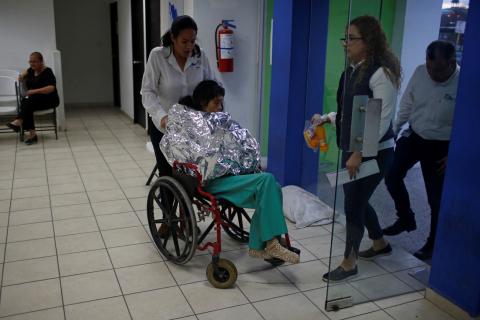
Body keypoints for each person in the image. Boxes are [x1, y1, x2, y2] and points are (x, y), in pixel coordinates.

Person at [313, 16, 401, 282]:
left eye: (352, 38)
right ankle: (379, 242)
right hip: (353, 149)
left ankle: (349, 262)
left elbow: (379, 117)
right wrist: (328, 118)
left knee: (353, 203)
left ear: (369, 41)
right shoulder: (353, 70)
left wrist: (359, 154)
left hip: (375, 152)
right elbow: (351, 109)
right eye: (346, 37)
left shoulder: (381, 73)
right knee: (357, 199)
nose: (345, 43)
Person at [175, 80, 300, 264]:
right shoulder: (194, 127)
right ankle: (268, 243)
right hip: (212, 182)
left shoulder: (219, 123)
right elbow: (204, 162)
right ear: (203, 103)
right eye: (216, 103)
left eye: (221, 103)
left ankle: (266, 242)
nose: (220, 107)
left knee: (273, 186)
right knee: (267, 181)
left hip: (231, 176)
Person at [382, 41, 459, 260]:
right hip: (416, 135)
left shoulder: (464, 83)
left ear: (452, 63)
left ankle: (433, 244)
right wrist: (393, 132)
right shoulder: (419, 72)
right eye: (429, 68)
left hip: (443, 146)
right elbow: (406, 104)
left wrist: (455, 152)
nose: (432, 74)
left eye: (438, 70)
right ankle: (405, 217)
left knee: (436, 199)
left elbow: (472, 124)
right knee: (391, 174)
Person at [141, 15, 216, 178]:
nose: (189, 46)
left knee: (193, 176)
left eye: (193, 40)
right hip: (164, 128)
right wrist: (162, 116)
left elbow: (211, 87)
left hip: (193, 128)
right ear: (173, 38)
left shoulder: (200, 56)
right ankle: (168, 198)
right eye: (184, 41)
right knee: (168, 174)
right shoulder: (158, 56)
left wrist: (214, 108)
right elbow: (147, 92)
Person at [6, 52, 59, 145]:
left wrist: (34, 91)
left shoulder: (47, 71)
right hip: (35, 100)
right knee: (27, 103)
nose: (32, 64)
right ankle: (30, 133)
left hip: (49, 99)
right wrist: (21, 76)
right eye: (30, 61)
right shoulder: (31, 70)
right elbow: (23, 73)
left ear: (41, 62)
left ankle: (20, 122)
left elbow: (51, 88)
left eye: (34, 61)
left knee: (28, 102)